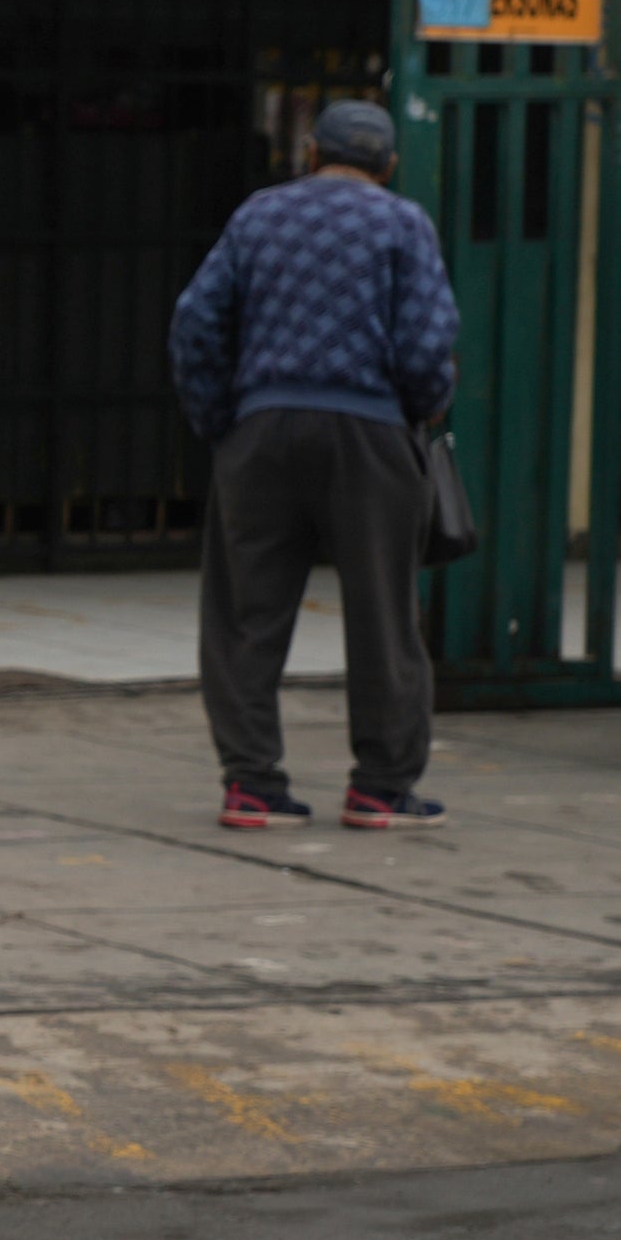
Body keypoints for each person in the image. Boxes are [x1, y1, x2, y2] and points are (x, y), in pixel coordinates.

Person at [168, 99, 462, 832]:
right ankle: (380, 786)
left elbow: (195, 321)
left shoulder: (258, 216)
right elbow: (428, 343)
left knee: (244, 613)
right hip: (368, 431)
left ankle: (252, 783)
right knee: (383, 612)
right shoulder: (403, 223)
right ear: (388, 165)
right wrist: (418, 411)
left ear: (309, 152)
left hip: (262, 427)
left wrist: (224, 422)